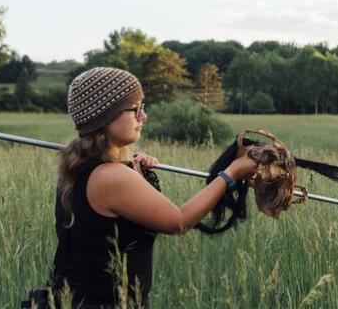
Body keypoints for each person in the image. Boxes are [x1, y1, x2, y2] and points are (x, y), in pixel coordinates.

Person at [51, 67, 257, 308]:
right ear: (106, 116)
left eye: (143, 108)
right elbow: (178, 221)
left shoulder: (84, 167)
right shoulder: (110, 176)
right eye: (135, 108)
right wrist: (232, 172)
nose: (143, 116)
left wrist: (136, 172)